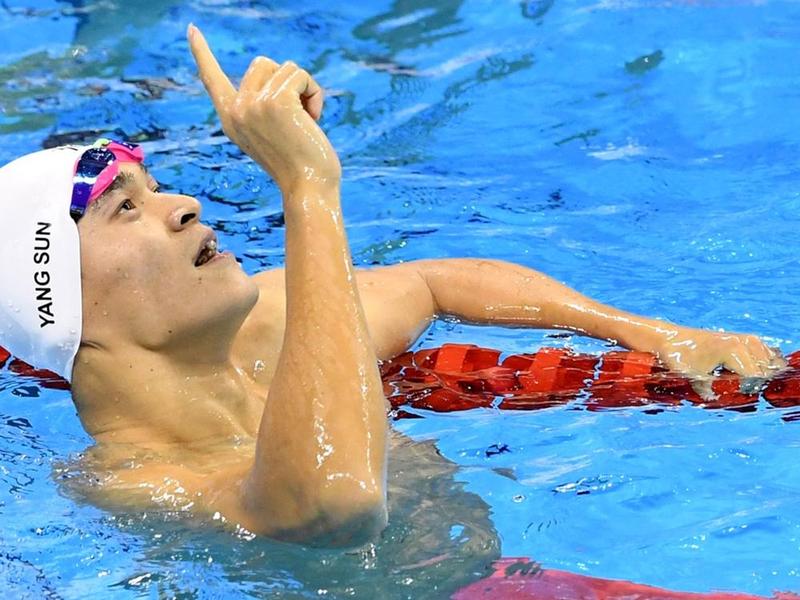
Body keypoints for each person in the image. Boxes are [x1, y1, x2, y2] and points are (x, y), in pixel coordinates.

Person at [0, 24, 786, 547]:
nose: (183, 205)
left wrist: (647, 334)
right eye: (124, 208)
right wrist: (308, 188)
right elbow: (332, 503)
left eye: (156, 184)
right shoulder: (136, 483)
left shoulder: (268, 328)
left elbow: (435, 282)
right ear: (59, 305)